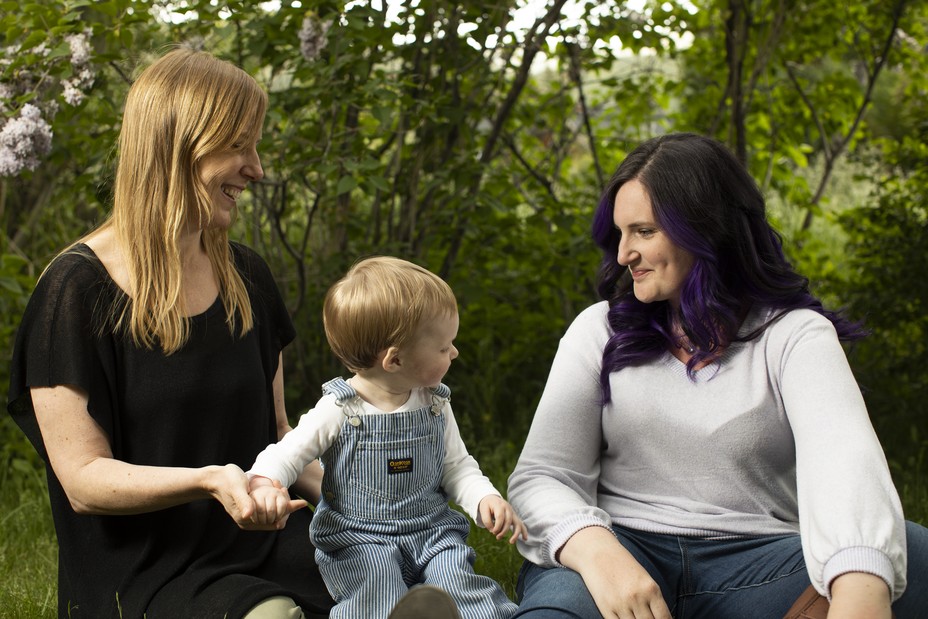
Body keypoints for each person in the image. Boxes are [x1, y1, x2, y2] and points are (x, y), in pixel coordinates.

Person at [507, 132, 928, 619]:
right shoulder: (598, 330)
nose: (624, 254)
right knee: (559, 610)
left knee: (908, 554)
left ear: (702, 230)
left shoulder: (794, 336)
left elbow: (844, 463)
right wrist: (597, 552)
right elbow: (543, 476)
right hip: (621, 552)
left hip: (759, 566)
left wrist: (859, 589)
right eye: (620, 234)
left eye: (643, 232)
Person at [5, 47, 339, 618]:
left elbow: (280, 433)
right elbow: (84, 480)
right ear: (177, 144)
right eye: (239, 146)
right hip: (146, 568)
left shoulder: (248, 277)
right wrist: (209, 481)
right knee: (275, 615)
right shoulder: (74, 291)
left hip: (262, 540)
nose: (256, 168)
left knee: (392, 576)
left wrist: (381, 497)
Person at [245, 256, 527, 619]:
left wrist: (483, 496)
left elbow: (456, 467)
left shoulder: (435, 403)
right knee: (377, 592)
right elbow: (286, 454)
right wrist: (266, 483)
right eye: (443, 348)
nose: (454, 352)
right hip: (361, 539)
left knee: (459, 585)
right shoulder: (340, 409)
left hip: (431, 532)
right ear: (394, 361)